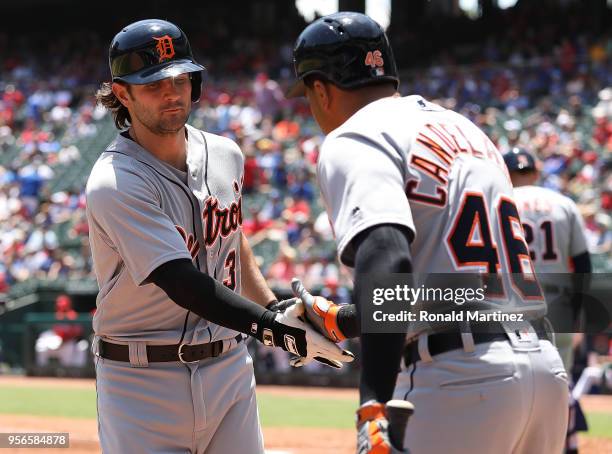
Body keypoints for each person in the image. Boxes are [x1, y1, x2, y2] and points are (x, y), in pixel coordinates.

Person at [285, 12, 569, 454]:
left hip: (459, 380)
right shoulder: (466, 130)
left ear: (320, 88)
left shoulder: (354, 136)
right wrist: (344, 321)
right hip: (542, 371)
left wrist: (373, 402)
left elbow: (387, 255)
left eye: (307, 93)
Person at [87, 19, 352, 454]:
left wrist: (277, 308)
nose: (172, 93)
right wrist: (275, 330)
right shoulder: (116, 181)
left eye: (180, 79)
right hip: (142, 383)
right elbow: (183, 283)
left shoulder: (225, 154)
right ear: (122, 94)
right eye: (153, 84)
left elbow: (232, 241)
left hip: (229, 368)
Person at [504, 147, 592, 454]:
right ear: (536, 173)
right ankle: (565, 445)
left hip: (511, 305)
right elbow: (582, 265)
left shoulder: (499, 200)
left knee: (511, 381)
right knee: (560, 385)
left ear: (506, 172)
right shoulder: (564, 204)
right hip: (558, 306)